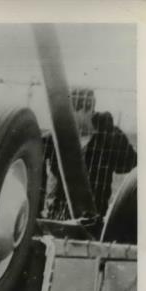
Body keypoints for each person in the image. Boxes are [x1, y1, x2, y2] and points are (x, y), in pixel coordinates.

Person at [44, 87, 137, 220]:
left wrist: (111, 134)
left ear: (87, 110)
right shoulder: (56, 137)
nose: (65, 119)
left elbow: (129, 164)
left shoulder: (107, 137)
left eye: (70, 113)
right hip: (57, 215)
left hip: (92, 217)